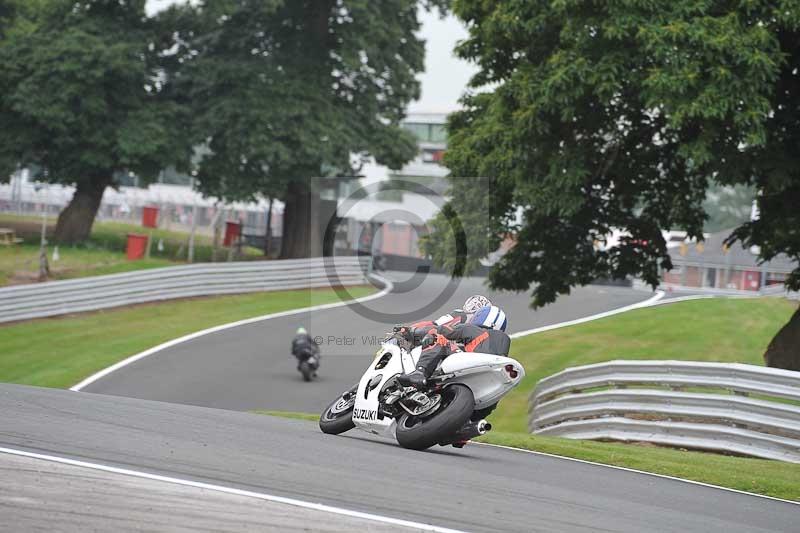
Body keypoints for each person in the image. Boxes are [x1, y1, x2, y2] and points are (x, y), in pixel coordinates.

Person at [397, 305, 510, 390]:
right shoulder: (501, 349)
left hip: (468, 365)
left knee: (437, 337)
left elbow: (442, 330)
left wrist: (411, 332)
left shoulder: (473, 330)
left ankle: (420, 372)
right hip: (486, 384)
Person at [394, 294, 493, 348]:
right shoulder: (459, 315)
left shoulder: (485, 329)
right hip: (439, 347)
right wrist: (411, 329)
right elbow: (434, 324)